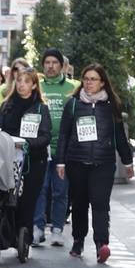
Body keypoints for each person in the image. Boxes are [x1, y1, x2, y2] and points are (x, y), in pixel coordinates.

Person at [55, 64, 134, 263]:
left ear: (102, 83)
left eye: (93, 79)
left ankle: (101, 245)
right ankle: (78, 240)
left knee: (100, 204)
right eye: (86, 79)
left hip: (103, 163)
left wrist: (127, 161)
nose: (89, 83)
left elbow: (119, 137)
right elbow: (64, 135)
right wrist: (61, 162)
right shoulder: (73, 104)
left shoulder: (111, 106)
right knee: (80, 204)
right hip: (77, 162)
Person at [0, 68, 52, 243]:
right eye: (19, 81)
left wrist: (25, 144)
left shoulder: (41, 108)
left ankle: (23, 236)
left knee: (27, 201)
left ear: (34, 85)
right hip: (8, 159)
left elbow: (45, 136)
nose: (22, 85)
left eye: (26, 82)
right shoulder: (7, 105)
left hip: (33, 161)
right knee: (8, 199)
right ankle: (7, 233)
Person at [35, 49, 79, 247]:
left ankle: (57, 230)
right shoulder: (37, 86)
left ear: (62, 66)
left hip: (63, 150)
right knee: (40, 189)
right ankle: (37, 228)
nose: (50, 66)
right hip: (40, 148)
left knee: (61, 191)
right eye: (47, 62)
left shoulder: (73, 87)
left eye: (54, 62)